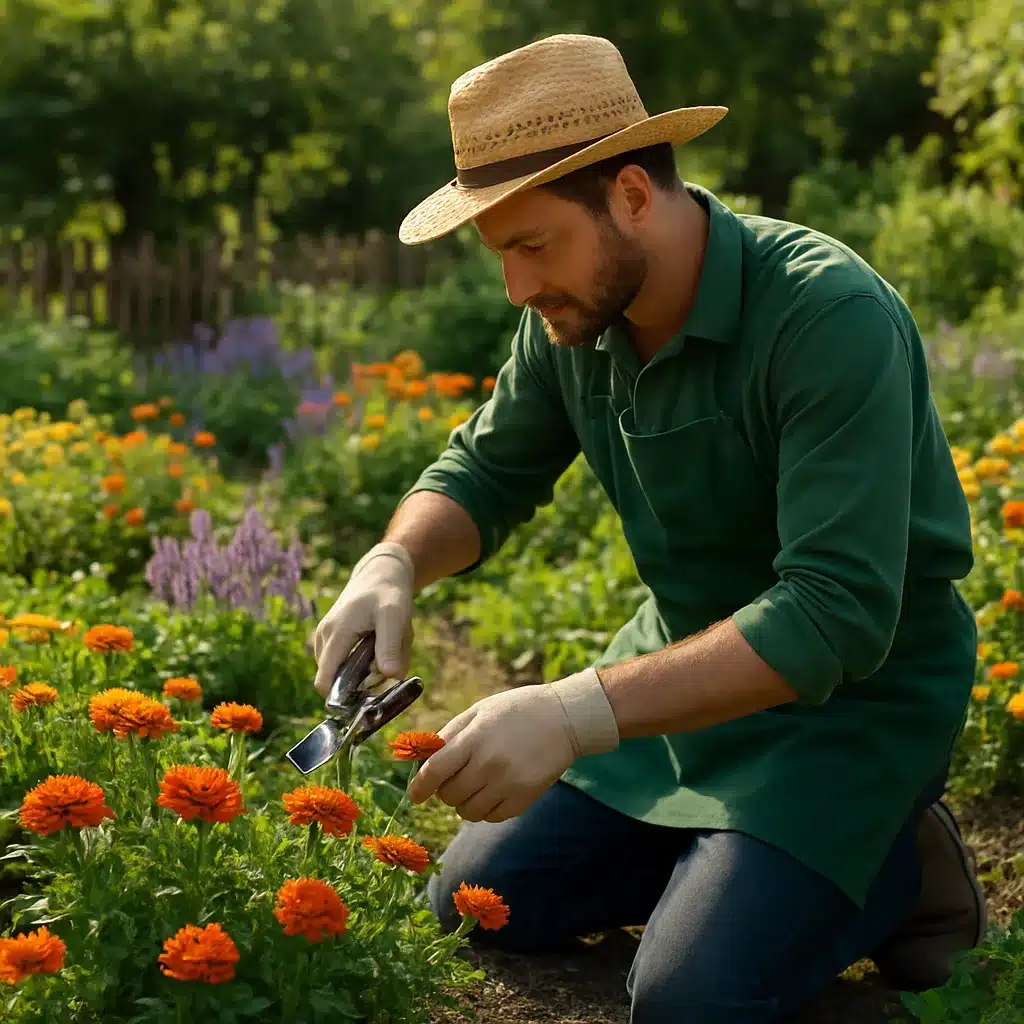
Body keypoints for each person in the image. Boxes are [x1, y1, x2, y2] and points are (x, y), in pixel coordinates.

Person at [312, 33, 987, 1023]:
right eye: (501, 254)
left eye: (532, 245)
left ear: (631, 194)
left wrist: (570, 713)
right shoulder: (575, 316)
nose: (516, 287)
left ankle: (895, 856)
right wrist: (394, 558)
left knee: (689, 999)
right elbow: (484, 470)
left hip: (850, 717)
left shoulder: (823, 314)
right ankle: (736, 868)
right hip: (677, 695)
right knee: (468, 902)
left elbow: (834, 615)